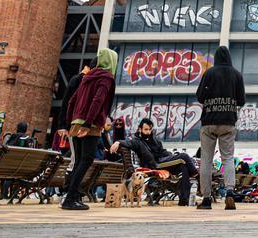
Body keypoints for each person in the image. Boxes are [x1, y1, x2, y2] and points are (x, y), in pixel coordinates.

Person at [61, 48, 117, 211]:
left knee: (79, 161)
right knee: (86, 160)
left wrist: (72, 122)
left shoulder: (87, 77)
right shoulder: (106, 77)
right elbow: (98, 100)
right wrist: (87, 124)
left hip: (76, 123)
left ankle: (72, 196)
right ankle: (70, 198)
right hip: (90, 125)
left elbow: (72, 101)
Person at [195, 45, 245, 210]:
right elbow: (242, 101)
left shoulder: (209, 73)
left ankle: (207, 199)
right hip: (228, 122)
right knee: (228, 159)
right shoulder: (236, 75)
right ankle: (230, 192)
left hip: (209, 121)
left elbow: (200, 96)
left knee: (207, 161)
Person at [115, 118, 198, 206]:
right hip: (155, 165)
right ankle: (196, 174)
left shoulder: (154, 140)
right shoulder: (137, 141)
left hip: (162, 161)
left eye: (150, 129)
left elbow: (162, 152)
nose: (148, 132)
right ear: (140, 129)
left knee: (184, 165)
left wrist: (172, 156)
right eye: (146, 129)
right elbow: (128, 143)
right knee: (184, 156)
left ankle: (184, 199)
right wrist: (118, 142)